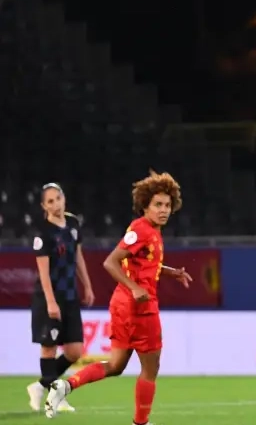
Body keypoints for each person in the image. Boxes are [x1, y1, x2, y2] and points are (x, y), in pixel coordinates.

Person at [45, 171, 193, 423]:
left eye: (167, 205)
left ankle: (66, 386)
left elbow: (143, 263)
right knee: (150, 369)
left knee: (115, 365)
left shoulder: (150, 231)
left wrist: (170, 272)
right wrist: (134, 288)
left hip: (122, 304)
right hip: (139, 306)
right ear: (145, 205)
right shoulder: (142, 229)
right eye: (158, 204)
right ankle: (141, 422)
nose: (163, 210)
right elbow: (110, 262)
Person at [26, 183, 93, 413]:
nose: (56, 204)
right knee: (49, 348)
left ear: (64, 198)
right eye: (50, 201)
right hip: (49, 298)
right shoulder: (43, 232)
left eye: (58, 198)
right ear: (44, 206)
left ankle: (40, 386)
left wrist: (87, 285)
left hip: (70, 296)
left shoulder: (73, 224)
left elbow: (78, 257)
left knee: (75, 351)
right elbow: (43, 272)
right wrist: (51, 302)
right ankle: (55, 396)